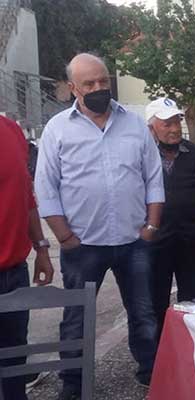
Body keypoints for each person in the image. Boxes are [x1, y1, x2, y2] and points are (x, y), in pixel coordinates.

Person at [35, 53, 164, 399]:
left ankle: (150, 372)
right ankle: (73, 383)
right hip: (83, 245)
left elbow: (153, 177)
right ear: (73, 88)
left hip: (133, 241)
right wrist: (64, 236)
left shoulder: (134, 125)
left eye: (103, 81)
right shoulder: (57, 129)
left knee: (143, 312)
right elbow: (46, 187)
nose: (98, 88)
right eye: (89, 83)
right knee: (77, 317)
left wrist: (151, 226)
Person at [0, 115, 54, 400]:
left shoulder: (11, 130)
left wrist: (41, 248)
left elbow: (26, 196)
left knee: (14, 359)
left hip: (14, 273)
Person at [146, 97, 195, 339]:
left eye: (176, 122)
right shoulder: (142, 154)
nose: (174, 129)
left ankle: (191, 351)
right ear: (151, 127)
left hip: (191, 240)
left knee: (193, 302)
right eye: (167, 124)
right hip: (155, 241)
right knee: (154, 302)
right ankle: (156, 355)